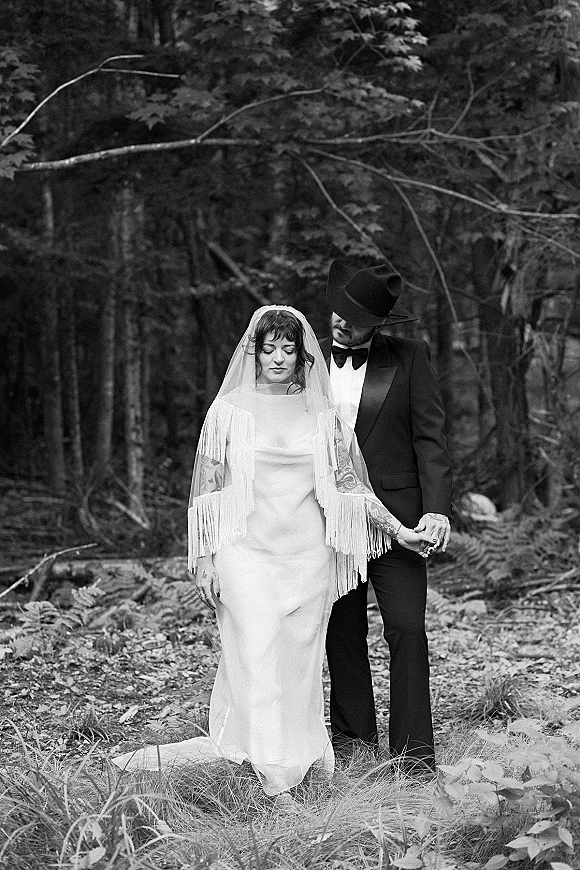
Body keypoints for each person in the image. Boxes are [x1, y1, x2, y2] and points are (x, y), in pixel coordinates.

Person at [112, 305, 434, 796]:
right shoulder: (228, 411)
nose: (279, 357)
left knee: (298, 666)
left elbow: (351, 487)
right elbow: (207, 491)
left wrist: (398, 530)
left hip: (307, 558)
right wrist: (203, 559)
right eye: (269, 349)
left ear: (304, 355)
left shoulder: (322, 416)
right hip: (246, 555)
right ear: (254, 353)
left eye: (289, 348)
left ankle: (296, 755)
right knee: (256, 654)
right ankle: (271, 781)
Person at [322, 260, 453, 773]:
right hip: (331, 523)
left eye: (355, 319)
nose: (341, 323)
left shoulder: (411, 357)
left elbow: (432, 440)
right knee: (342, 631)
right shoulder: (307, 362)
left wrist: (437, 510)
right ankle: (354, 743)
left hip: (399, 526)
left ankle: (414, 756)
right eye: (339, 311)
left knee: (406, 628)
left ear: (378, 325)